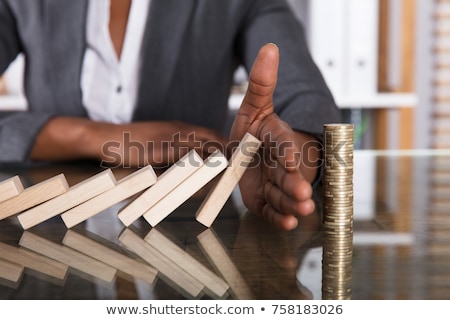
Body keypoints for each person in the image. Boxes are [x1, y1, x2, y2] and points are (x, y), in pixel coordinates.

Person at [0, 0, 341, 230]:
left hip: (187, 225)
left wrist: (291, 158)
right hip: (52, 229)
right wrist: (91, 136)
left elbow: (305, 96)